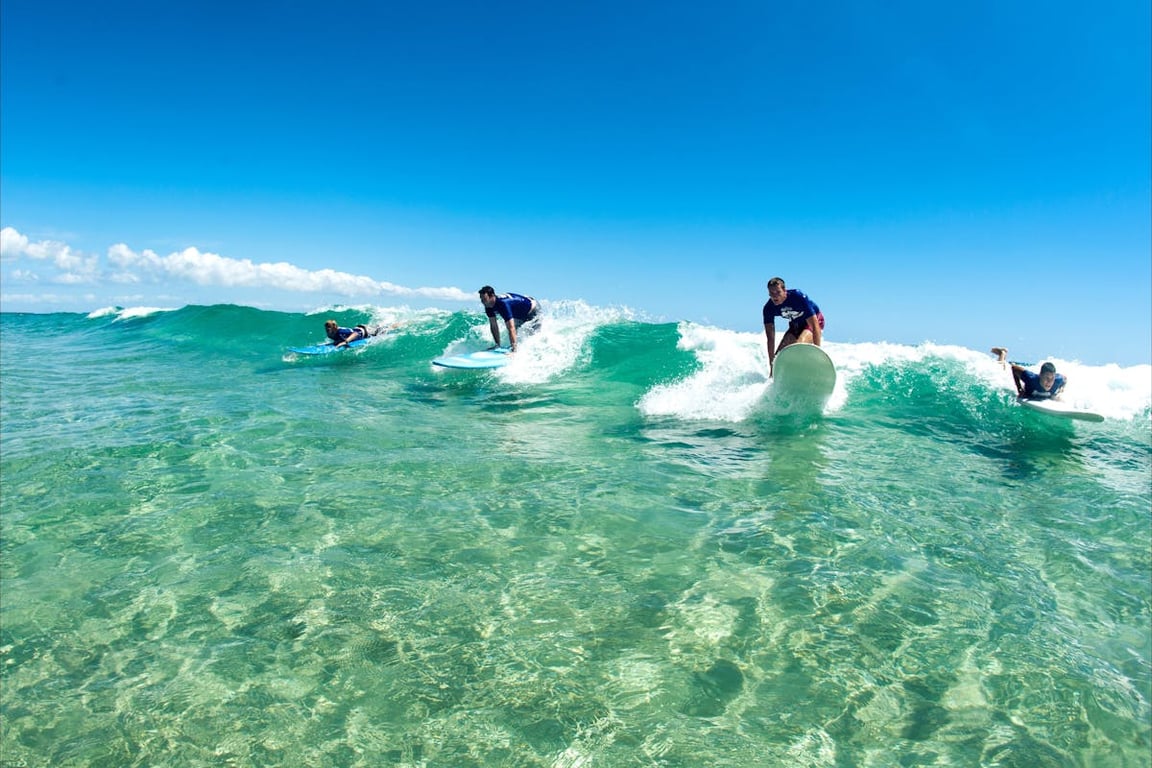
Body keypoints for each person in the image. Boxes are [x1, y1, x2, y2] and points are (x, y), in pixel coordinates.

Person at [763, 276, 824, 377]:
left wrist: (818, 353)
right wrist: (772, 364)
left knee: (798, 346)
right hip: (795, 325)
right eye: (771, 293)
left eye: (777, 292)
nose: (774, 296)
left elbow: (814, 325)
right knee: (779, 357)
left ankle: (805, 371)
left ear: (784, 290)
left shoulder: (798, 297)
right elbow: (770, 338)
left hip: (814, 322)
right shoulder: (768, 308)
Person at [991, 347, 1066, 400]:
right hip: (1017, 376)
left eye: (1052, 378)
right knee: (1000, 369)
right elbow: (1014, 368)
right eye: (1047, 378)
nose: (1049, 382)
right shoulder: (1031, 378)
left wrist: (1060, 392)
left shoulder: (1057, 380)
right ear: (1040, 375)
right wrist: (1019, 389)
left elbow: (1065, 379)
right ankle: (1003, 353)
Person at [479, 286, 539, 351]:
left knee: (533, 336)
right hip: (520, 315)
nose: (482, 302)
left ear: (492, 296)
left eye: (484, 299)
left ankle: (517, 349)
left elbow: (511, 328)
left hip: (533, 310)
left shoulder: (503, 304)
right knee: (518, 334)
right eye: (481, 299)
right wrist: (497, 345)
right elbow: (494, 325)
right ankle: (513, 347)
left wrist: (514, 350)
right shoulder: (488, 306)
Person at [324, 320, 401, 349]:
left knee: (386, 329)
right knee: (380, 327)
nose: (327, 330)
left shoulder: (341, 331)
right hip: (360, 328)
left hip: (366, 331)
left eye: (329, 328)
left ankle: (401, 323)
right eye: (326, 328)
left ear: (334, 327)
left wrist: (345, 342)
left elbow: (355, 333)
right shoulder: (330, 334)